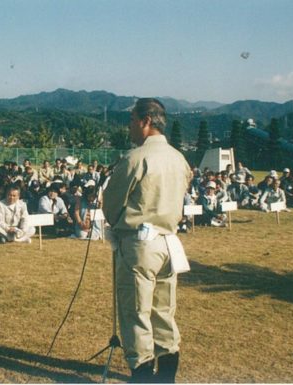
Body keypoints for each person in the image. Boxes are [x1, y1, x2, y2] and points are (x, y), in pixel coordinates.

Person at [103, 98, 191, 383]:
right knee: (163, 311)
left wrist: (119, 224)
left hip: (140, 244)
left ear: (145, 121)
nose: (129, 125)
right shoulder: (179, 158)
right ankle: (166, 377)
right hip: (169, 242)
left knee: (136, 312)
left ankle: (142, 376)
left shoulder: (135, 158)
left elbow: (112, 204)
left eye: (131, 119)